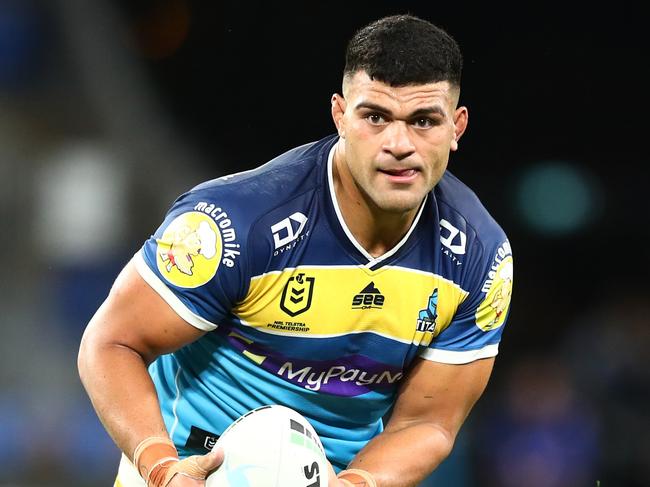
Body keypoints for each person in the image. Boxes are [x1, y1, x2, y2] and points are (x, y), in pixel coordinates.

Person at [78, 13, 514, 487]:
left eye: (424, 121)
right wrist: (161, 468)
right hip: (190, 467)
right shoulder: (232, 224)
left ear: (457, 127)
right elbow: (110, 343)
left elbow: (427, 423)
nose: (399, 144)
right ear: (340, 115)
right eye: (375, 117)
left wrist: (353, 484)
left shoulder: (478, 257)